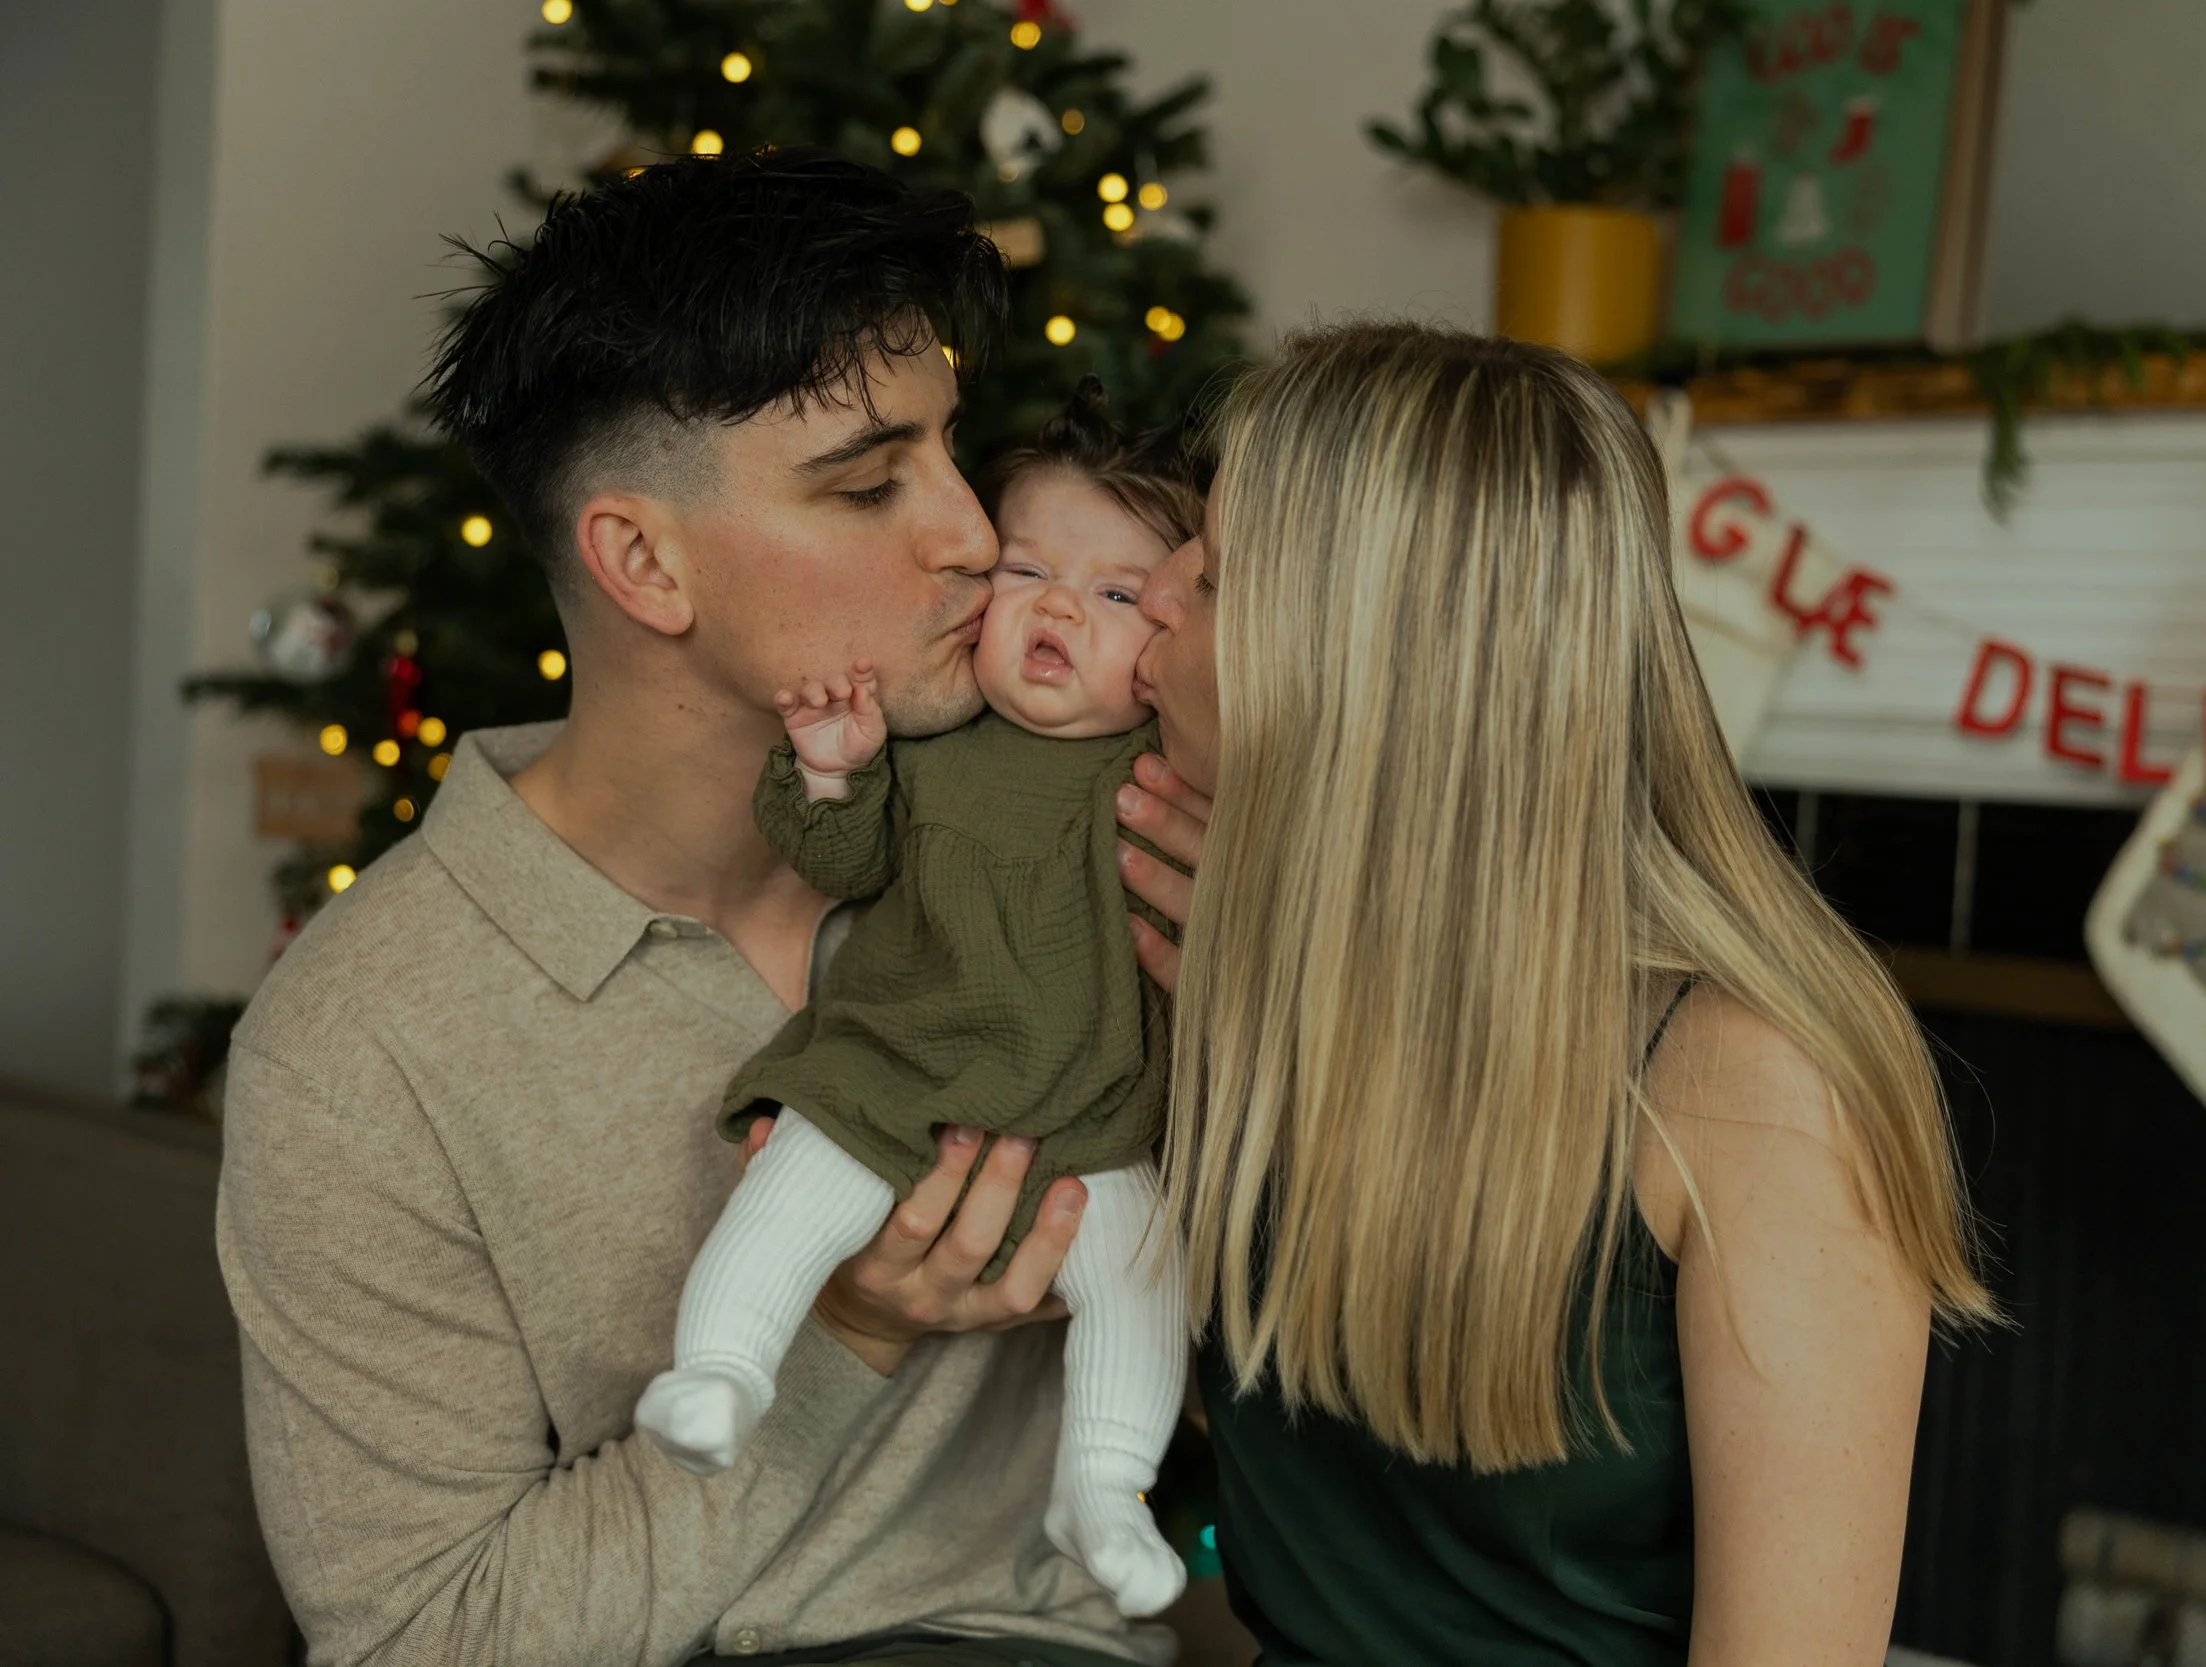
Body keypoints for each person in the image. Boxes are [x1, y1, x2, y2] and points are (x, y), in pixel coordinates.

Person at [216, 151, 1171, 1667]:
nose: (975, 535)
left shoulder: (1100, 824)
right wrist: (850, 1329)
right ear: (642, 559)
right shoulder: (360, 1049)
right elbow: (422, 1634)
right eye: (870, 482)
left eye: (950, 452)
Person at [1111, 322, 2001, 1666]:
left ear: (1371, 673)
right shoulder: (1218, 959)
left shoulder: (1751, 1081)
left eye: (1221, 575)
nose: (1149, 591)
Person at [638, 381, 1206, 1619]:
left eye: (1117, 595)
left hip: (1088, 1106)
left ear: (1172, 651)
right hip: (892, 1075)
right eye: (1025, 569)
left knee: (1137, 1265)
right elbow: (844, 864)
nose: (1058, 605)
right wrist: (834, 775)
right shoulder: (929, 741)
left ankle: (1102, 1485)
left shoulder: (1167, 779)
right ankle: (720, 1368)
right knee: (794, 1176)